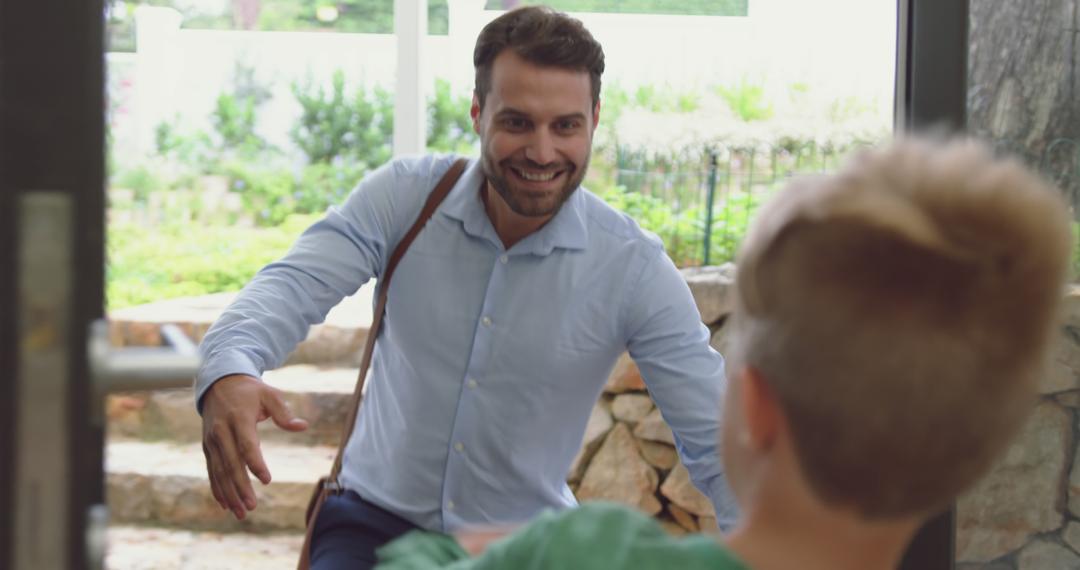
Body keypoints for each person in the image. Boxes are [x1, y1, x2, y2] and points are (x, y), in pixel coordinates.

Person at [195, 6, 736, 569]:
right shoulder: (404, 198)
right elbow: (288, 286)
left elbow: (716, 440)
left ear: (594, 120)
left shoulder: (632, 266)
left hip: (523, 548)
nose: (543, 151)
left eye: (566, 126)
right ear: (479, 113)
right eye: (518, 122)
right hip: (369, 529)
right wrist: (230, 365)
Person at [373, 137, 1073, 570]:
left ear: (758, 407)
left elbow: (412, 561)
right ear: (976, 450)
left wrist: (506, 549)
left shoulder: (591, 554)